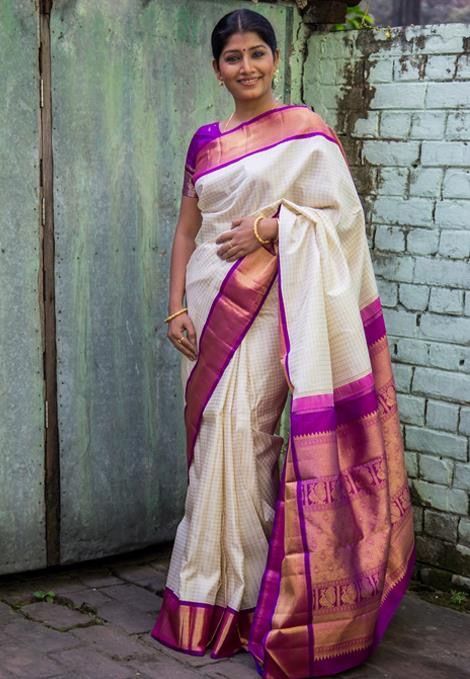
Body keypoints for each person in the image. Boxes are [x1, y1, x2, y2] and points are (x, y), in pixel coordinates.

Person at [151, 8, 415, 678]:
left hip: (272, 309)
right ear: (217, 68)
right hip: (211, 306)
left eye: (257, 53)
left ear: (275, 58)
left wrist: (270, 226)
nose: (246, 67)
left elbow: (340, 221)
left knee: (247, 434)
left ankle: (237, 600)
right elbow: (188, 229)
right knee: (219, 435)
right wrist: (176, 302)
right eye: (233, 57)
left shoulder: (308, 134)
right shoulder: (205, 141)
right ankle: (213, 592)